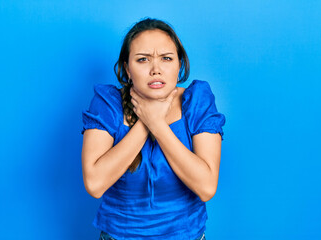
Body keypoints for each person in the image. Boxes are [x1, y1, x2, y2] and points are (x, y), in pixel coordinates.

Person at [81, 18, 225, 240]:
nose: (156, 69)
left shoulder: (197, 100)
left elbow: (206, 187)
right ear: (127, 69)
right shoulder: (108, 103)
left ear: (179, 66)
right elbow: (95, 184)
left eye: (166, 58)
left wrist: (158, 125)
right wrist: (146, 120)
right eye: (143, 60)